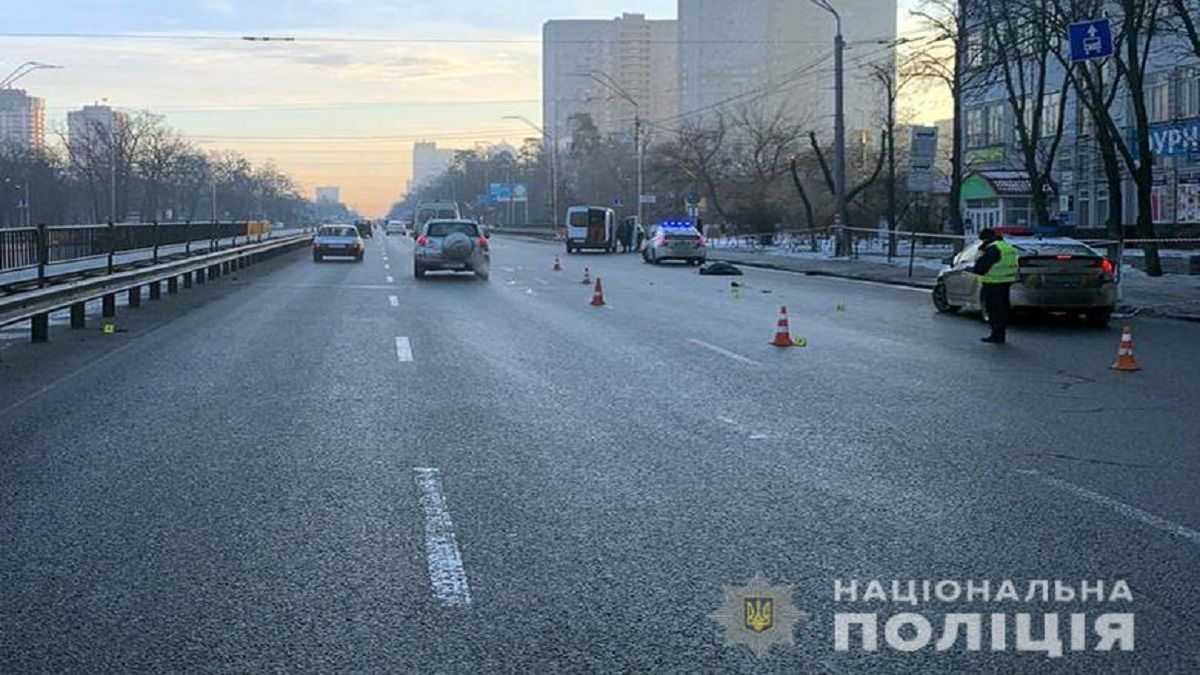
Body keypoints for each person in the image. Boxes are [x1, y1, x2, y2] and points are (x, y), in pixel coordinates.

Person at [972, 228, 1019, 344]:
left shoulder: (992, 249)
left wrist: (974, 268)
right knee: (1002, 310)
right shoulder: (1008, 248)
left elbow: (981, 268)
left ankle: (996, 335)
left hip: (992, 282)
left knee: (993, 310)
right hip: (1006, 282)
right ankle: (1001, 334)